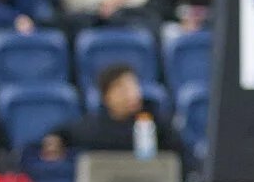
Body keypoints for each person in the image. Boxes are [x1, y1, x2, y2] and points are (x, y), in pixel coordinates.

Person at [39, 62, 181, 164]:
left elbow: (181, 156)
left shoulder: (156, 123)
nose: (131, 93)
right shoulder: (95, 126)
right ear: (106, 96)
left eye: (133, 86)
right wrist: (55, 139)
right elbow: (67, 132)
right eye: (122, 88)